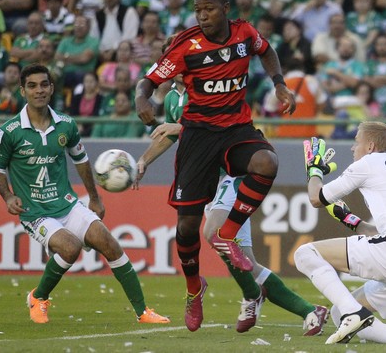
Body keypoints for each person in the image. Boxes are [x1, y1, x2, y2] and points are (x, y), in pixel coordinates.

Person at [134, 0, 296, 332]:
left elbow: (266, 51)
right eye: (197, 10)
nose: (202, 15)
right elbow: (147, 81)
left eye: (208, 9)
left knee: (267, 163)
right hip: (199, 136)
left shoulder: (244, 34)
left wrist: (279, 83)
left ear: (224, 8)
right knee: (187, 227)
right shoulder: (186, 46)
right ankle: (194, 288)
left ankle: (228, 232)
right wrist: (142, 101)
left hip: (237, 129)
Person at [134, 74, 329, 336]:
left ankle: (251, 295)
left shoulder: (207, 90)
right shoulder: (172, 97)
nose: (179, 65)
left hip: (231, 174)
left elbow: (217, 127)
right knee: (243, 260)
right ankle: (309, 311)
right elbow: (170, 135)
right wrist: (145, 160)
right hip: (204, 181)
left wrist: (179, 127)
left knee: (213, 233)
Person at [0, 63, 169, 325]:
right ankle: (39, 297)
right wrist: (7, 196)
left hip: (66, 203)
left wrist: (94, 197)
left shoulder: (66, 125)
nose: (39, 90)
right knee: (70, 248)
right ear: (22, 91)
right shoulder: (9, 131)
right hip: (34, 211)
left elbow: (81, 160)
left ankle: (143, 312)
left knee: (109, 243)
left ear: (51, 88)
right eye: (32, 86)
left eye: (43, 85)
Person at [294, 123, 386, 344]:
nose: (353, 148)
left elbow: (316, 197)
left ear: (371, 146)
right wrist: (350, 219)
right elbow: (384, 231)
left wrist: (314, 170)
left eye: (357, 141)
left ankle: (354, 315)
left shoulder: (371, 161)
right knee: (339, 313)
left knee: (305, 254)